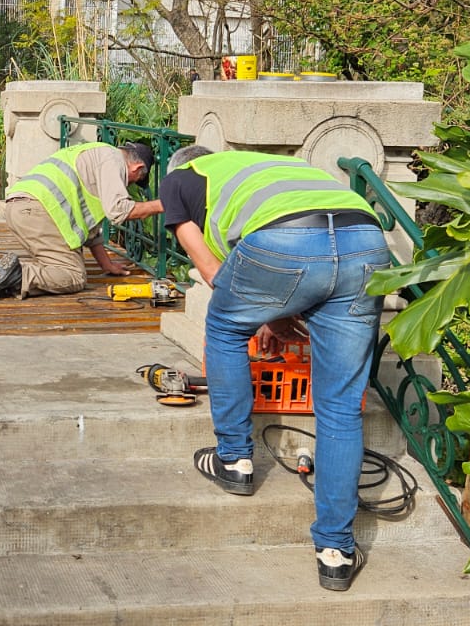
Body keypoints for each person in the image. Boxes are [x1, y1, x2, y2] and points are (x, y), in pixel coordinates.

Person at [158, 144, 391, 592]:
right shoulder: (274, 168)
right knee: (341, 407)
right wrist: (275, 308)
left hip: (283, 238)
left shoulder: (179, 178)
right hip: (364, 238)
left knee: (225, 328)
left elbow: (212, 270)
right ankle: (336, 553)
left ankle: (235, 460)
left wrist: (263, 307)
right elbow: (324, 244)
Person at [0, 140, 163, 300]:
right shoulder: (113, 161)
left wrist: (107, 265)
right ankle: (18, 275)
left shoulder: (94, 153)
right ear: (137, 168)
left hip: (19, 208)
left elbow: (90, 230)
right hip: (39, 212)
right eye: (135, 180)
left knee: (57, 265)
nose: (129, 186)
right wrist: (164, 205)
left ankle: (2, 273)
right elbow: (119, 210)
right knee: (74, 276)